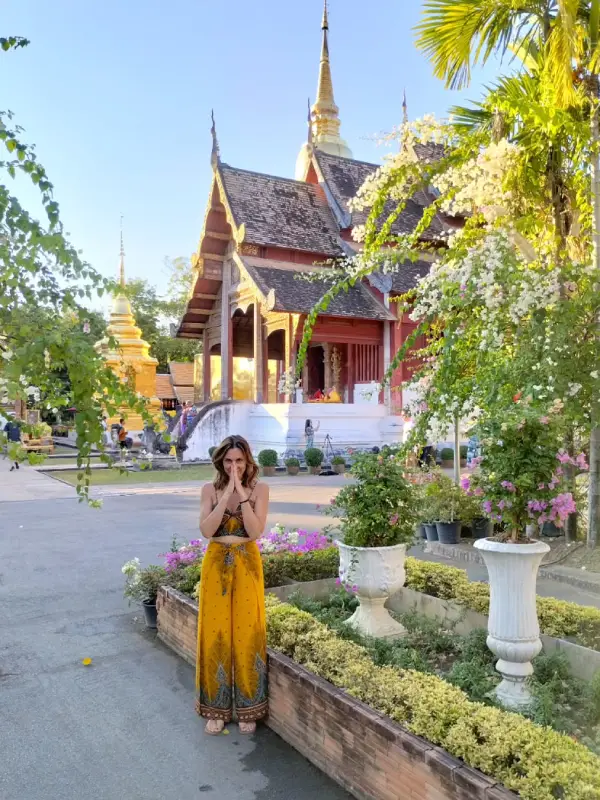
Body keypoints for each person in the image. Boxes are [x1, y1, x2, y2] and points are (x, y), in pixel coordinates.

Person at [197, 434, 270, 735]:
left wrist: (240, 493)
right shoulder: (209, 490)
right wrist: (226, 492)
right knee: (215, 632)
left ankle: (248, 707)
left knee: (247, 631)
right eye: (228, 461)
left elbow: (254, 531)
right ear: (220, 461)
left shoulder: (260, 490)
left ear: (247, 461)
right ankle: (216, 708)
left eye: (239, 460)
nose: (234, 466)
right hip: (216, 563)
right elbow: (206, 530)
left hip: (247, 563)